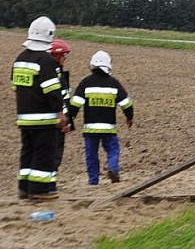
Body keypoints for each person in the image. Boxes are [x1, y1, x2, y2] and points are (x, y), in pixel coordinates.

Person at [12, 16, 65, 200]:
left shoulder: (20, 59)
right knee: (44, 153)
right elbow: (52, 90)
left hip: (24, 117)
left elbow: (14, 86)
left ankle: (24, 188)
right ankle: (40, 190)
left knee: (27, 152)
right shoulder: (46, 60)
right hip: (44, 118)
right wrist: (60, 112)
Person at [68, 50, 134, 185]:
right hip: (108, 128)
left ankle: (93, 181)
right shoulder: (114, 83)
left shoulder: (86, 82)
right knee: (113, 149)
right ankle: (113, 168)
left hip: (90, 129)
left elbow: (75, 104)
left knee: (91, 155)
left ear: (92, 66)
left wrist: (69, 119)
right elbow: (126, 104)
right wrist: (129, 117)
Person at [48, 38, 73, 172]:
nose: (65, 58)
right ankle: (49, 184)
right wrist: (65, 120)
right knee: (54, 154)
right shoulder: (54, 75)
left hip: (58, 119)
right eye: (63, 55)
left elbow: (65, 99)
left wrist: (69, 121)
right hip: (56, 121)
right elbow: (59, 98)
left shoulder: (59, 74)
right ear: (56, 56)